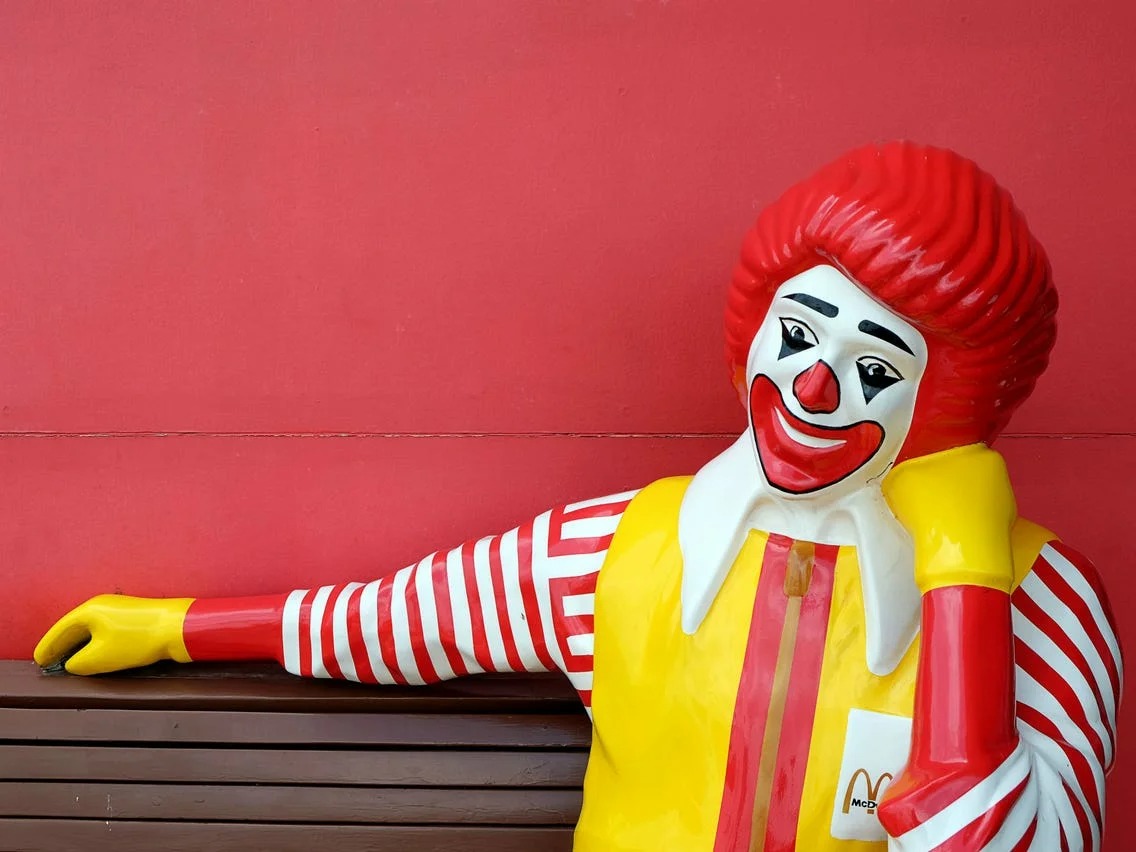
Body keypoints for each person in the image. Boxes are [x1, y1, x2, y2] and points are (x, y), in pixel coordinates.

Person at [35, 141, 1120, 851]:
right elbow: (391, 621)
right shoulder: (608, 554)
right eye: (797, 334)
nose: (814, 387)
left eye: (875, 368)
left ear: (944, 406)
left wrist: (963, 581)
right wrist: (177, 627)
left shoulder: (1045, 607)